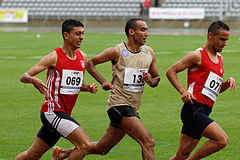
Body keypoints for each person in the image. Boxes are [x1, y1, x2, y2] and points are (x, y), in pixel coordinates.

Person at [52, 17, 160, 160]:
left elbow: (156, 78)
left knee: (102, 149)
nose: (147, 33)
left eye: (147, 30)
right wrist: (103, 81)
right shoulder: (117, 51)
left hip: (133, 107)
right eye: (143, 30)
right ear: (131, 32)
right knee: (148, 142)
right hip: (118, 105)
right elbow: (91, 63)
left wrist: (150, 80)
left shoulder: (149, 52)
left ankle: (62, 153)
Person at [14, 19, 97, 160]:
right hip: (52, 112)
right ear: (66, 35)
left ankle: (59, 155)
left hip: (64, 113)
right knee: (85, 145)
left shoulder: (82, 57)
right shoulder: (54, 57)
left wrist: (87, 87)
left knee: (32, 155)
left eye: (82, 33)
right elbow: (24, 76)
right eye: (77, 34)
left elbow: (70, 83)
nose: (82, 37)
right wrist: (32, 79)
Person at [166, 20, 236, 160]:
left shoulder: (219, 59)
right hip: (193, 108)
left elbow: (212, 91)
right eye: (222, 39)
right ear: (211, 35)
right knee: (221, 140)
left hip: (205, 110)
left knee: (181, 155)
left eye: (226, 40)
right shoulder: (197, 55)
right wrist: (183, 91)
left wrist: (226, 84)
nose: (225, 43)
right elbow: (171, 71)